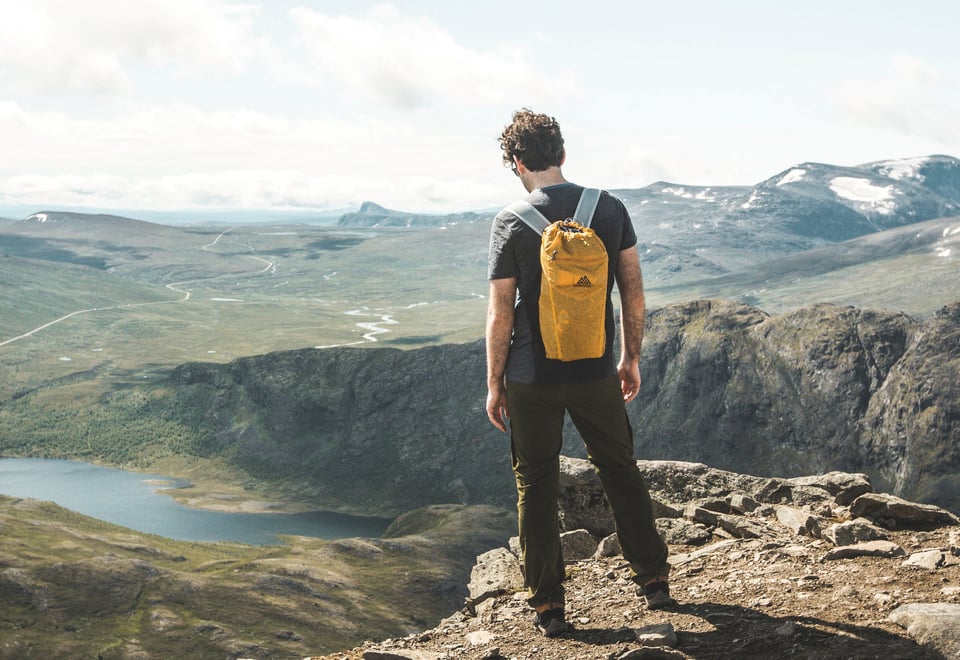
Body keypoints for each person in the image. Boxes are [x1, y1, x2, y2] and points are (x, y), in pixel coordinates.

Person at [485, 109, 673, 638]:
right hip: (595, 370)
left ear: (516, 162)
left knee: (537, 484)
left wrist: (495, 382)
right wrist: (629, 357)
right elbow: (631, 290)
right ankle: (654, 581)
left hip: (530, 375)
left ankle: (548, 608)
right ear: (562, 154)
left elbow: (501, 312)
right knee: (619, 468)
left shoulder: (509, 221)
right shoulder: (609, 209)